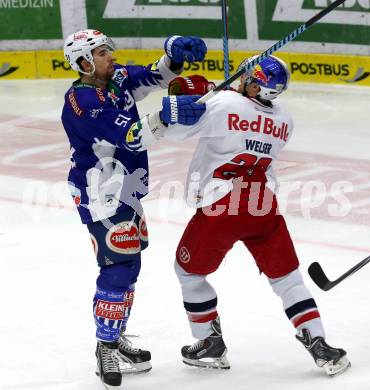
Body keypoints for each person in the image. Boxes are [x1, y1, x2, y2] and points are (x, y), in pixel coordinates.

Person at [158, 57, 351, 376]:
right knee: (288, 279)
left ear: (257, 84)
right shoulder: (284, 121)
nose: (241, 78)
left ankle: (208, 343)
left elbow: (176, 130)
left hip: (222, 203)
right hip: (263, 201)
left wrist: (194, 98)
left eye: (247, 76)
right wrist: (216, 96)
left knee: (188, 273)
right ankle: (320, 346)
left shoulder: (223, 103)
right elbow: (244, 123)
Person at [61, 29, 207, 389]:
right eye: (102, 52)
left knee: (132, 262)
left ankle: (115, 335)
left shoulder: (115, 79)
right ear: (83, 62)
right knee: (119, 264)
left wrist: (174, 56)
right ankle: (105, 346)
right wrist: (167, 115)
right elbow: (131, 134)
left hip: (125, 186)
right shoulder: (82, 102)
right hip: (101, 193)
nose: (111, 55)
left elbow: (154, 76)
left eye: (108, 49)